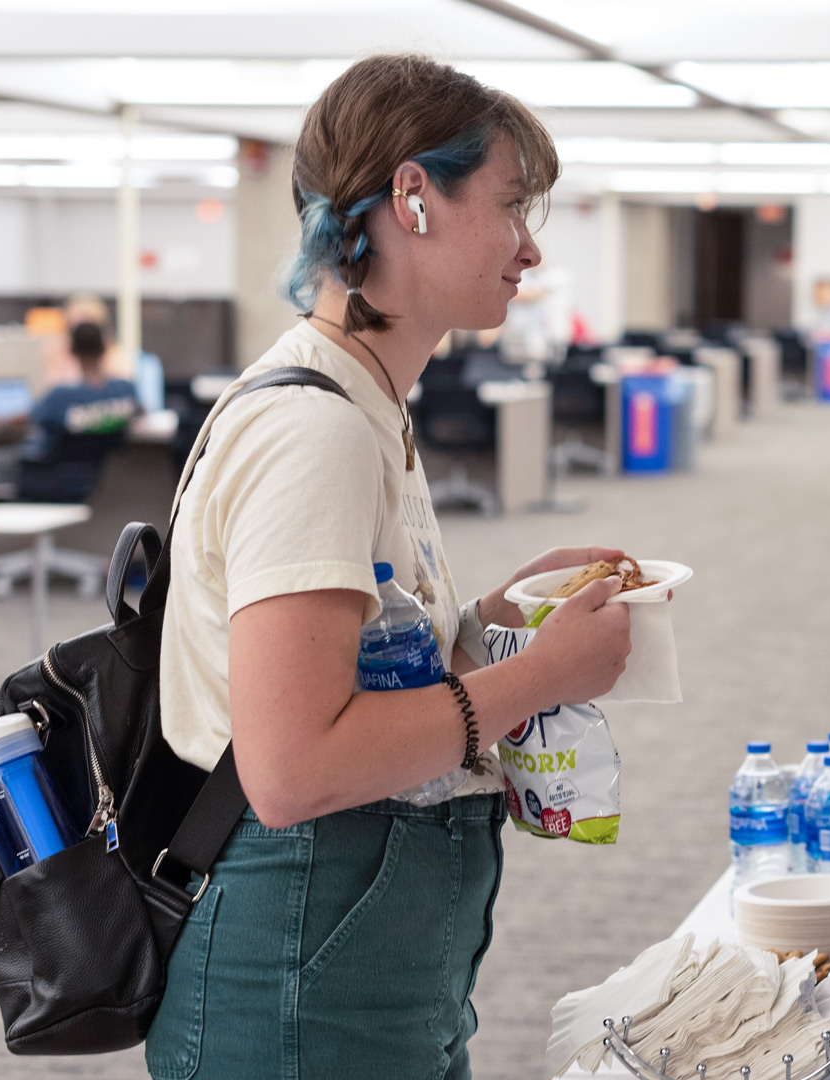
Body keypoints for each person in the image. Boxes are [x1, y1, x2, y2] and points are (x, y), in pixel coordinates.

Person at [148, 54, 632, 1079]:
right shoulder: (314, 430)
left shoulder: (362, 400)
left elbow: (359, 667)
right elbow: (292, 770)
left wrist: (497, 616)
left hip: (358, 961)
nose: (531, 248)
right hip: (297, 976)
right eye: (511, 207)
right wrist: (540, 679)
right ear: (413, 198)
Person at [17, 321, 139, 501]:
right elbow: (139, 412)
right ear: (104, 348)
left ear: (72, 350)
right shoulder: (124, 390)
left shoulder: (60, 396)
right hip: (104, 482)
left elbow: (27, 418)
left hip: (54, 480)